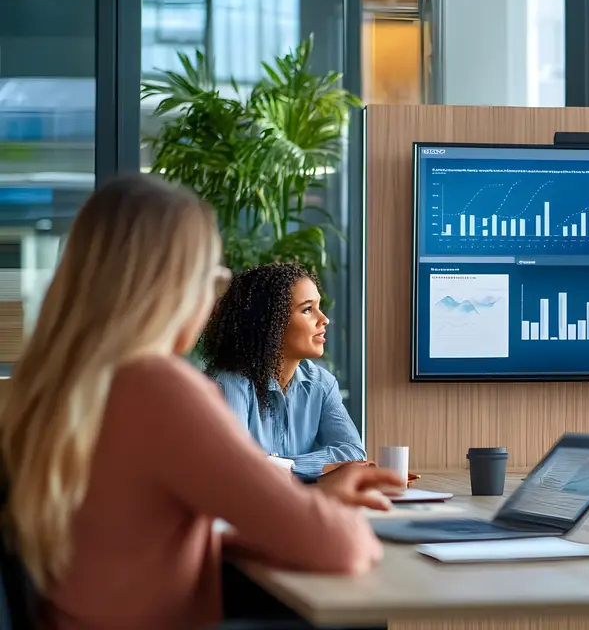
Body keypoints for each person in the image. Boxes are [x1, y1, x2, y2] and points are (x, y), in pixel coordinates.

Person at [0, 174, 403, 630]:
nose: (212, 301)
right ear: (170, 284)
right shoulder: (158, 388)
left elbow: (136, 537)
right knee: (358, 619)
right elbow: (343, 547)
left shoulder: (52, 389)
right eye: (212, 278)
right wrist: (324, 513)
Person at [201, 263, 366, 479]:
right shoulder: (228, 383)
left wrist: (283, 466)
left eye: (319, 307)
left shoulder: (322, 384)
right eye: (308, 309)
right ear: (271, 322)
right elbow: (234, 466)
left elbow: (353, 454)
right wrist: (317, 466)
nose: (324, 319)